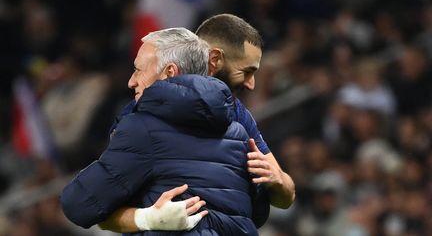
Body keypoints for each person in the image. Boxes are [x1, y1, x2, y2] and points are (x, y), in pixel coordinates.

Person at [99, 14, 296, 233]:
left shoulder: (238, 114)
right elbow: (101, 210)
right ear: (214, 59)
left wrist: (277, 180)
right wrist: (148, 218)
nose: (251, 84)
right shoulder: (138, 115)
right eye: (247, 71)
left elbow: (286, 196)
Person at [61, 27, 265, 236]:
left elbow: (78, 204)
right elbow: (258, 214)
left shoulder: (142, 129)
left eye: (139, 69)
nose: (132, 81)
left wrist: (146, 218)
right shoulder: (239, 132)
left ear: (169, 72)